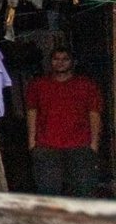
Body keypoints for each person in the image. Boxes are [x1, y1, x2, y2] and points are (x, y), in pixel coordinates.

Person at [26, 47, 103, 197]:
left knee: (84, 192)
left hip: (80, 145)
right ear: (50, 62)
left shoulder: (86, 85)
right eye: (56, 59)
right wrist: (32, 142)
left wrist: (94, 143)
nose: (60, 63)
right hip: (46, 146)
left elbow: (94, 114)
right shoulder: (38, 85)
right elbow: (32, 111)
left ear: (73, 62)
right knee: (48, 193)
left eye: (65, 59)